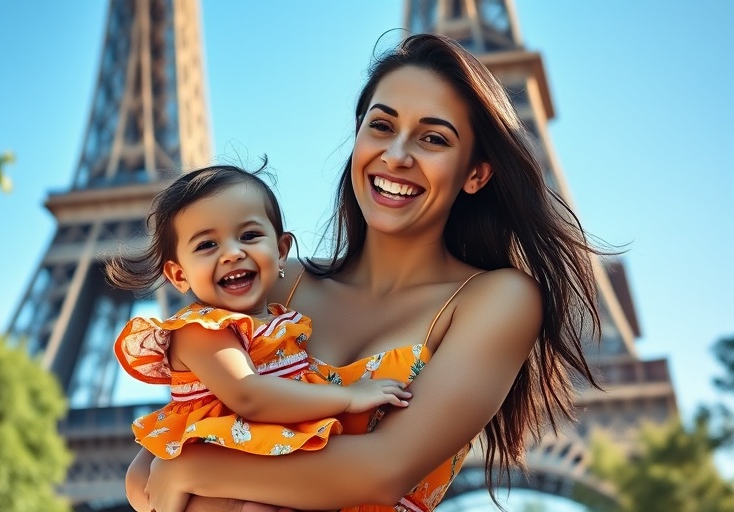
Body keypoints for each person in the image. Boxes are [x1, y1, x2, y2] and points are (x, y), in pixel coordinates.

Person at [128, 33, 603, 512]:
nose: (396, 155)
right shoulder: (269, 279)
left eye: (433, 138)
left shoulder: (496, 299)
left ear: (476, 173)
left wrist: (192, 471)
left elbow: (380, 473)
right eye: (381, 126)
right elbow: (158, 453)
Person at [106, 165, 412, 463]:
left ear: (281, 251)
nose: (232, 253)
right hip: (225, 461)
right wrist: (348, 397)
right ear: (179, 275)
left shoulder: (283, 321)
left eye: (249, 236)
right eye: (207, 244)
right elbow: (249, 395)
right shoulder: (198, 330)